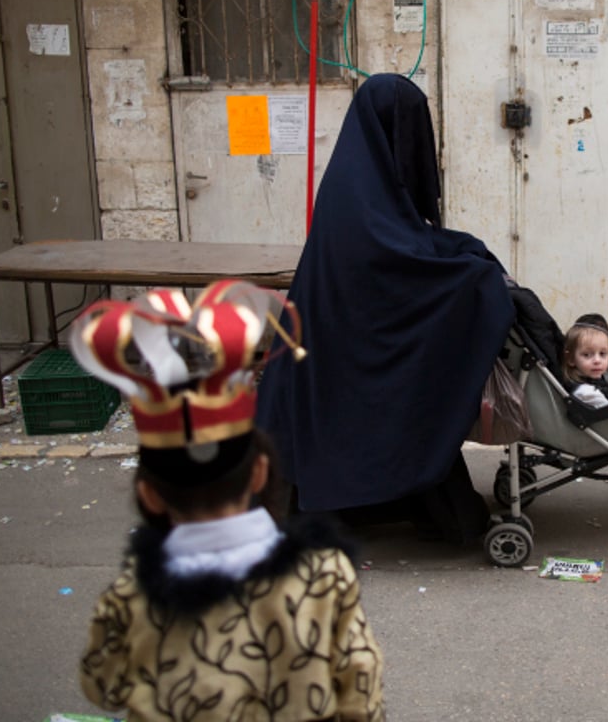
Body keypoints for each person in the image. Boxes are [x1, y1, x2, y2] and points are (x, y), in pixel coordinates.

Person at [70, 281, 386, 721]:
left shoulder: (132, 596)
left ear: (149, 495)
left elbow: (101, 686)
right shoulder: (324, 577)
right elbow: (361, 692)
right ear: (259, 473)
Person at [255, 74, 514, 545]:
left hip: (334, 350)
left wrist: (466, 252)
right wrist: (473, 276)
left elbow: (406, 243)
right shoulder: (361, 197)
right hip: (345, 347)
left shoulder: (360, 181)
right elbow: (397, 265)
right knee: (475, 289)